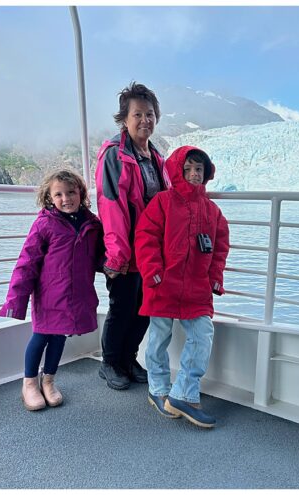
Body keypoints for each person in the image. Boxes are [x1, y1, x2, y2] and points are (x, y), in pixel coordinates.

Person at [134, 146, 229, 428]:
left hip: (197, 287)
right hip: (162, 284)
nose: (193, 174)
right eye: (187, 169)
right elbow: (145, 237)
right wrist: (153, 273)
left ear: (207, 173)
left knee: (202, 334)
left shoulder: (212, 211)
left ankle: (184, 393)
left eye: (199, 169)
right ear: (177, 171)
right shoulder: (162, 202)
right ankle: (158, 388)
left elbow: (221, 246)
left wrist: (215, 277)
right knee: (158, 338)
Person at [0, 169, 104, 411]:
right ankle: (30, 384)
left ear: (81, 194)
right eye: (58, 194)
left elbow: (97, 257)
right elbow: (26, 262)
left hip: (75, 295)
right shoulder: (45, 224)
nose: (66, 199)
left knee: (59, 337)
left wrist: (110, 265)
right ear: (49, 197)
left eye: (71, 192)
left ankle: (49, 380)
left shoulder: (92, 223)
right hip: (48, 295)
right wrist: (16, 299)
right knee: (41, 336)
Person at [94, 82, 167, 390]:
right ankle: (110, 363)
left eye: (149, 114)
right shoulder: (115, 155)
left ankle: (128, 358)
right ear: (124, 118)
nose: (144, 120)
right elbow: (111, 206)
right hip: (124, 250)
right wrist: (117, 255)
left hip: (150, 251)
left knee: (144, 308)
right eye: (137, 114)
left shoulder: (155, 156)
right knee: (122, 306)